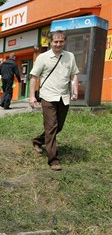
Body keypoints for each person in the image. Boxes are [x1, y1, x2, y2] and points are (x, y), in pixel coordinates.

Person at [29, 30, 79, 171]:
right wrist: (32, 96)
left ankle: (38, 141)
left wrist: (75, 91)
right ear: (50, 42)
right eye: (55, 42)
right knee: (51, 126)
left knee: (59, 127)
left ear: (64, 41)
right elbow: (33, 77)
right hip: (48, 96)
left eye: (61, 41)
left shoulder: (70, 57)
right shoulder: (42, 58)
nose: (58, 44)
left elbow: (74, 75)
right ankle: (53, 160)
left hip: (64, 97)